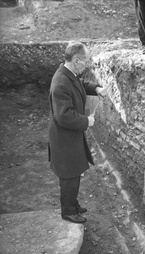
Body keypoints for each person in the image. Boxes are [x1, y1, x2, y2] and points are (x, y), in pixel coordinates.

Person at [48, 41, 106, 224]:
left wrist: (96, 88)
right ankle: (68, 212)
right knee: (69, 175)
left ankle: (73, 204)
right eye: (85, 61)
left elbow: (79, 84)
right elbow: (63, 116)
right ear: (76, 60)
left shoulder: (68, 74)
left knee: (74, 172)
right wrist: (86, 121)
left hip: (69, 136)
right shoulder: (60, 83)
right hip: (64, 139)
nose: (86, 64)